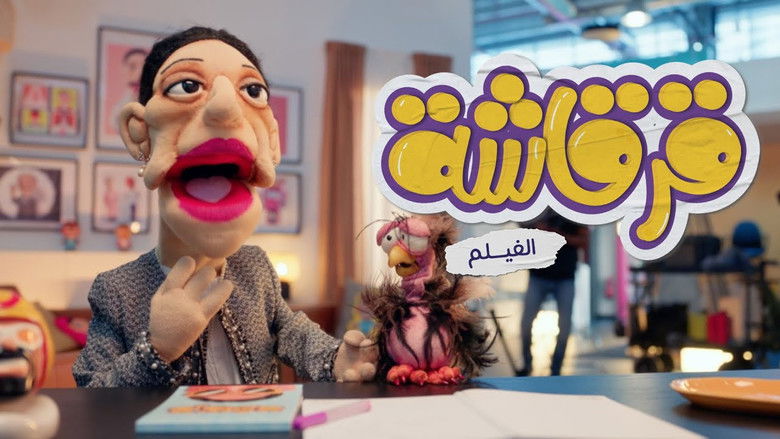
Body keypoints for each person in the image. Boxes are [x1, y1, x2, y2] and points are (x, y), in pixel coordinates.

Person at [74, 27, 377, 387]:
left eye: (252, 91)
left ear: (272, 140)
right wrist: (156, 351)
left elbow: (292, 332)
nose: (225, 107)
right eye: (186, 86)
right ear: (139, 134)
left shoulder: (255, 267)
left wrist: (336, 357)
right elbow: (91, 394)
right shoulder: (117, 289)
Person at [518, 211, 589, 376]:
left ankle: (556, 368)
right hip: (538, 276)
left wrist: (558, 235)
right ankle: (527, 364)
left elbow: (583, 241)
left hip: (565, 277)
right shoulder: (538, 210)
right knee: (526, 324)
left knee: (565, 327)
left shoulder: (573, 212)